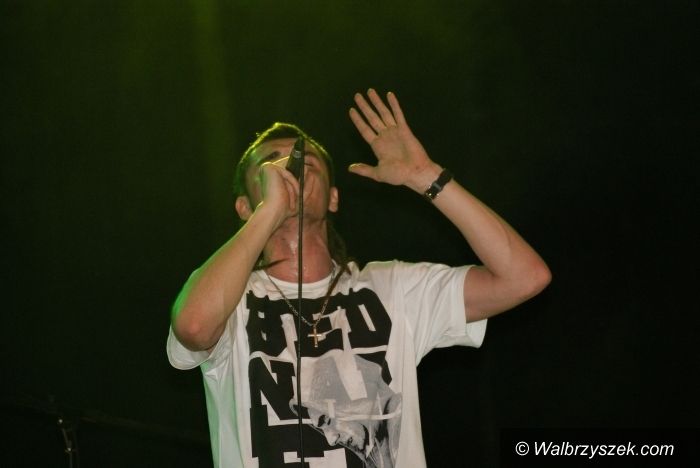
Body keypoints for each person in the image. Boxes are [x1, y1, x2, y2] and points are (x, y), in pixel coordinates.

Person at [167, 89, 551, 468]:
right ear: (244, 206)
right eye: (271, 163)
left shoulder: (392, 288)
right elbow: (194, 327)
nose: (290, 167)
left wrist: (427, 177)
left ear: (333, 198)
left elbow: (525, 277)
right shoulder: (230, 297)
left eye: (306, 161)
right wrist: (269, 212)